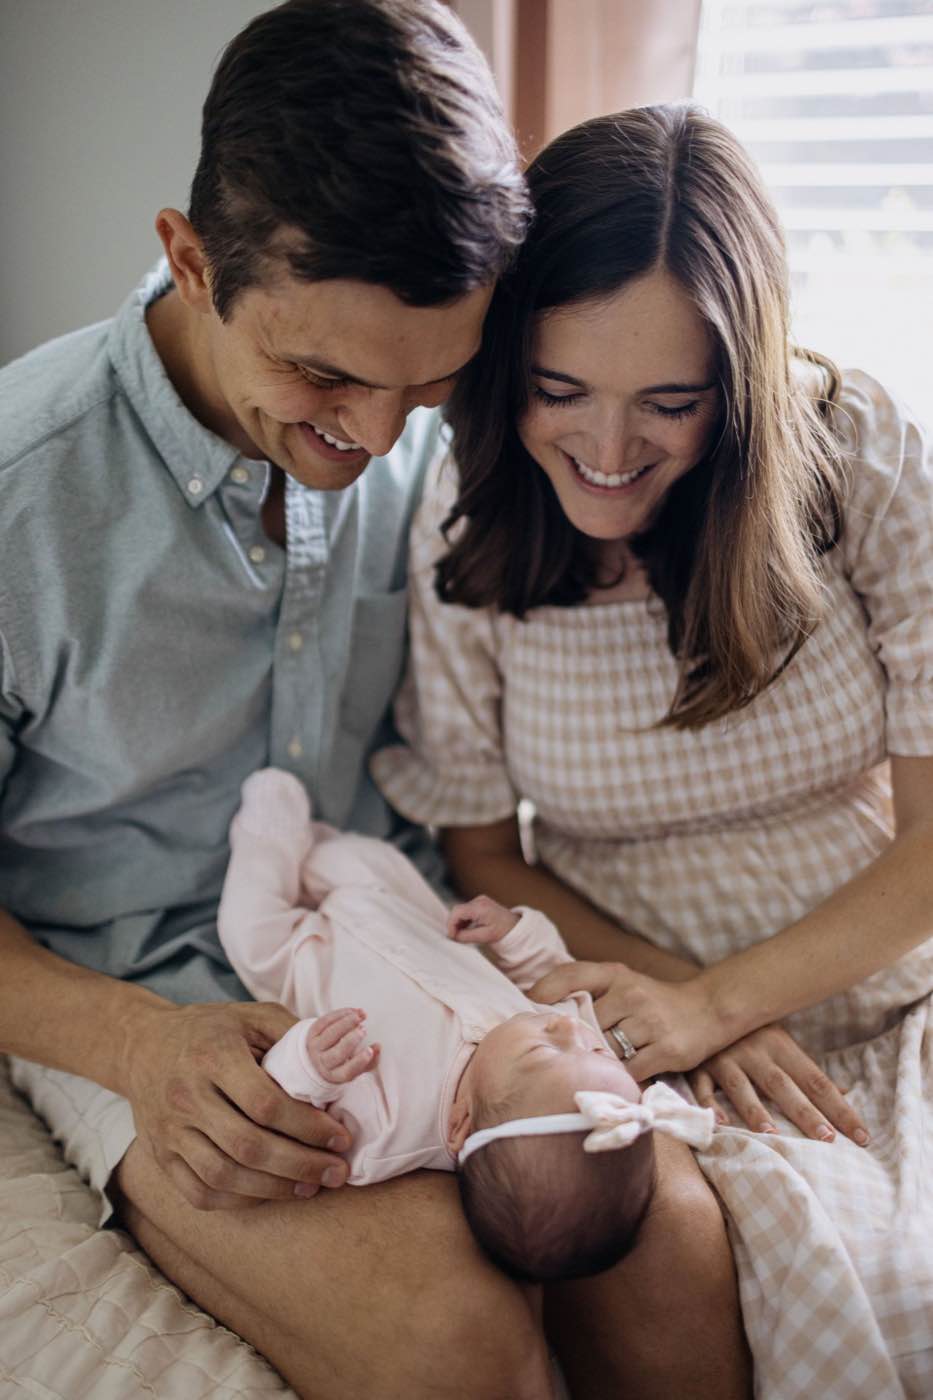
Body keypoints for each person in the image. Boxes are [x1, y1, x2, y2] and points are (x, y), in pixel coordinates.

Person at [0, 6, 751, 1397]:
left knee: (678, 1248)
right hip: (137, 986)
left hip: (419, 954)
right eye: (323, 374)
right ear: (188, 257)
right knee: (453, 1341)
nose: (370, 436)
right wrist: (134, 1046)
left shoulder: (426, 446)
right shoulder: (24, 497)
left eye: (432, 382)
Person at [373, 101, 933, 1400]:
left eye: (669, 404)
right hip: (635, 1013)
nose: (609, 454)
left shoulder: (853, 454)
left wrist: (732, 995)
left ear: (735, 390)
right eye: (560, 392)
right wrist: (683, 1002)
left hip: (888, 986)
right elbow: (475, 847)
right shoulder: (465, 522)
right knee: (647, 1244)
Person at [217, 767, 715, 1283]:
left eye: (544, 1052)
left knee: (246, 928)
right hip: (396, 911)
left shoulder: (388, 1131)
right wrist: (515, 935)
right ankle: (321, 841)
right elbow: (553, 973)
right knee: (371, 863)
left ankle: (268, 839)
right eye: (596, 1053)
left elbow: (294, 1113)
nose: (569, 1032)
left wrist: (309, 1067)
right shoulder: (559, 1038)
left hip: (301, 953)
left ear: (461, 1124)